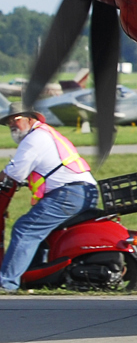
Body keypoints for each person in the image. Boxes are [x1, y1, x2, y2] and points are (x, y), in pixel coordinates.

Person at [0, 105, 99, 293]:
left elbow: (16, 172)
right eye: (8, 122)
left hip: (69, 194)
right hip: (81, 191)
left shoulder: (34, 139)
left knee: (25, 228)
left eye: (16, 118)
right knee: (41, 230)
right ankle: (31, 277)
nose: (12, 123)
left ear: (30, 118)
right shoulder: (45, 134)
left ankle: (7, 283)